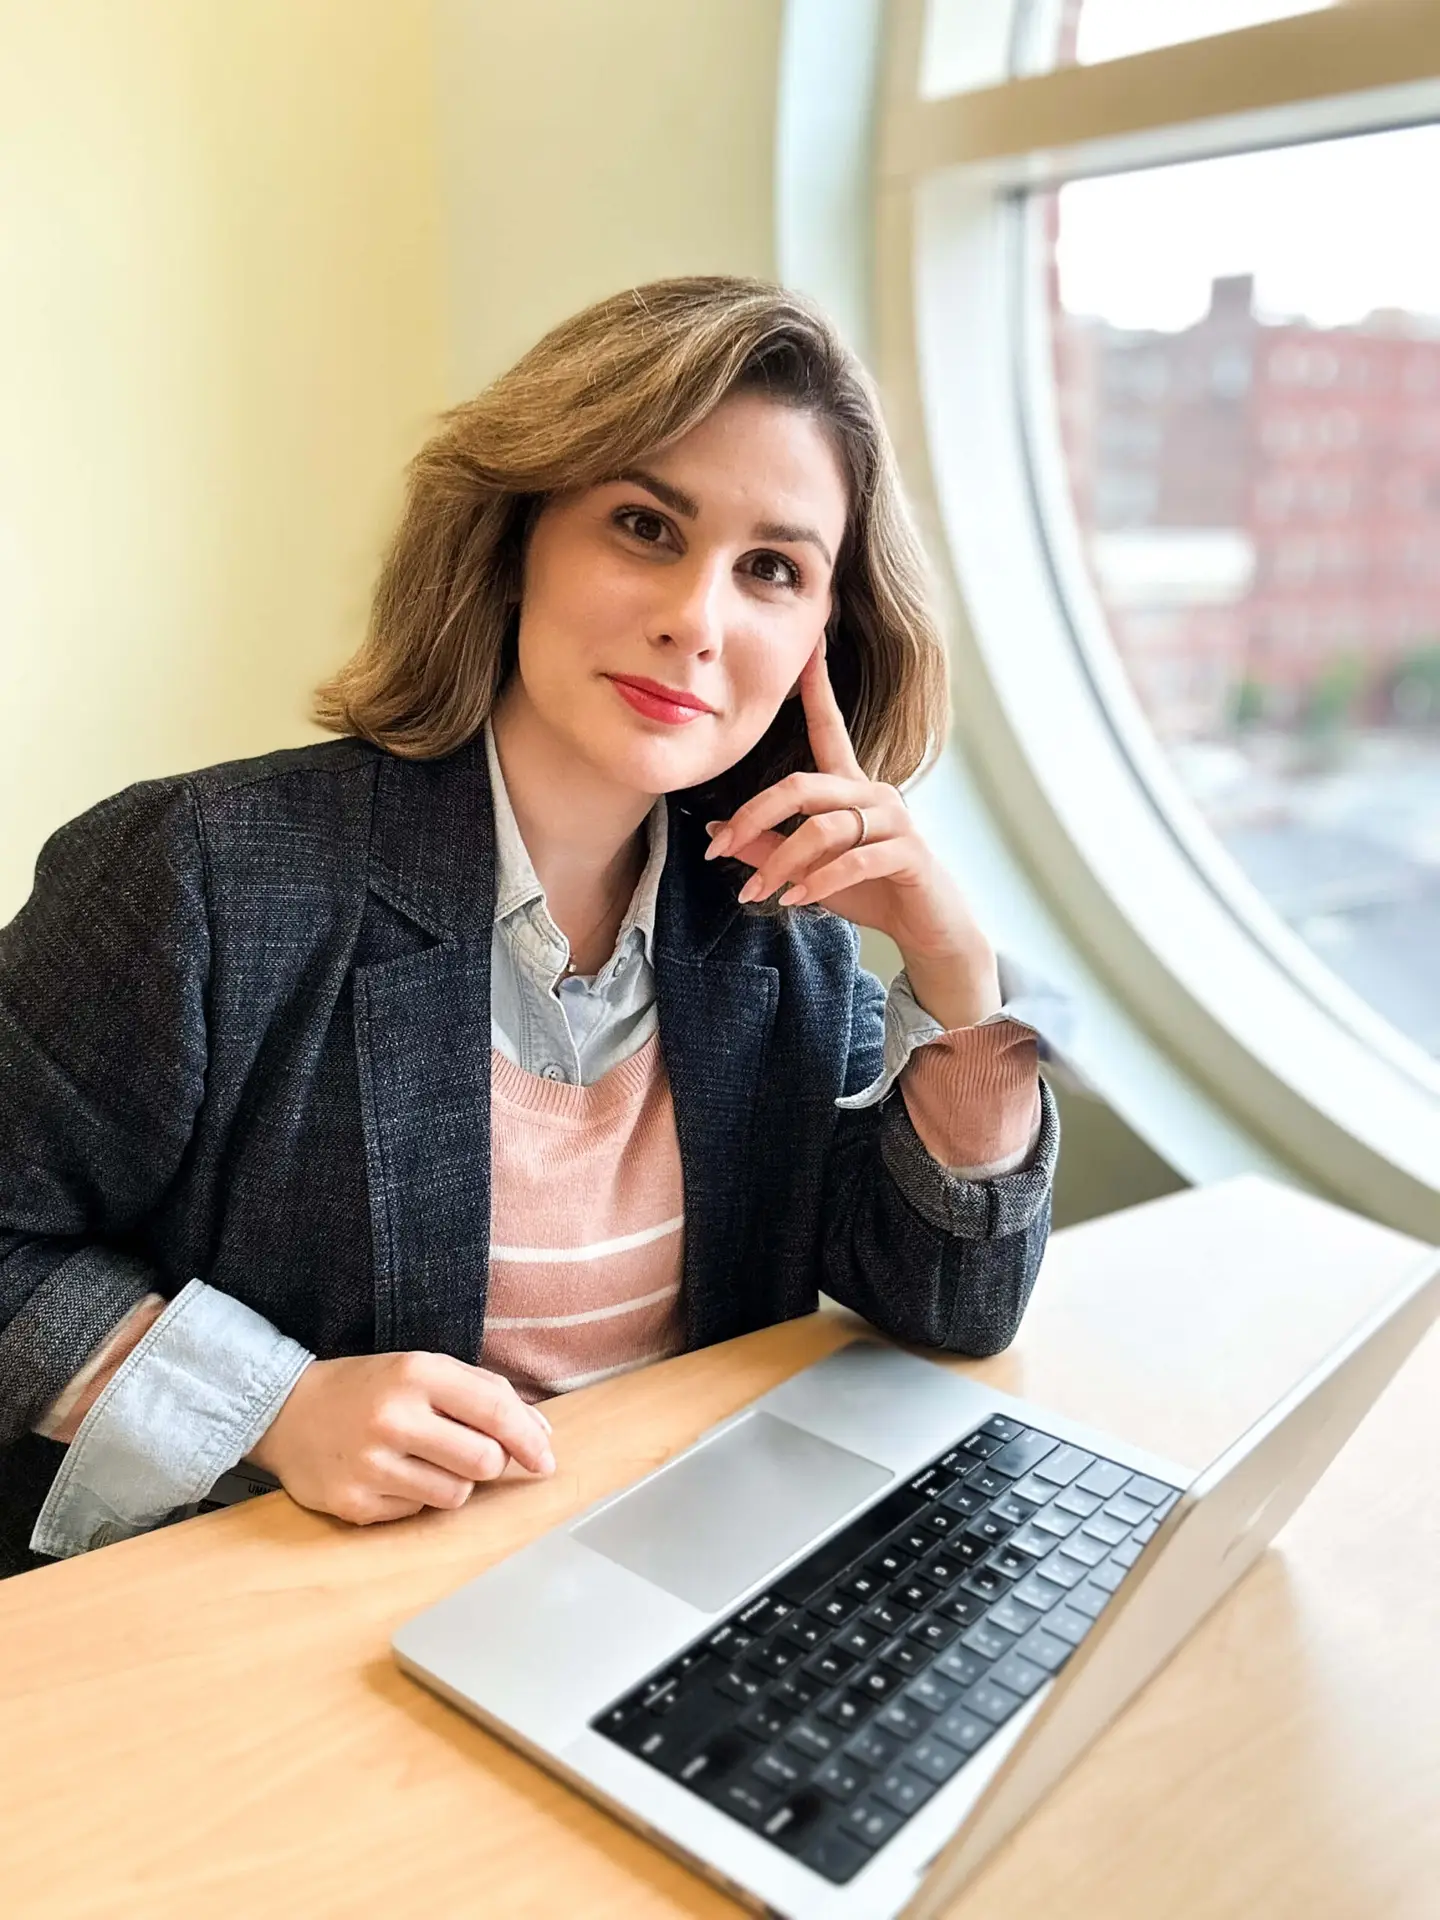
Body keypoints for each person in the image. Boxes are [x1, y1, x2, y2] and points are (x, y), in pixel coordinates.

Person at [0, 276, 1059, 1579]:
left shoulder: (786, 937)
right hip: (280, 1612)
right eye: (642, 526)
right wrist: (268, 1407)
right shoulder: (199, 878)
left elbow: (954, 1308)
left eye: (771, 570)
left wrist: (958, 980)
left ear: (818, 642)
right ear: (513, 542)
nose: (699, 619)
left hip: (654, 1588)